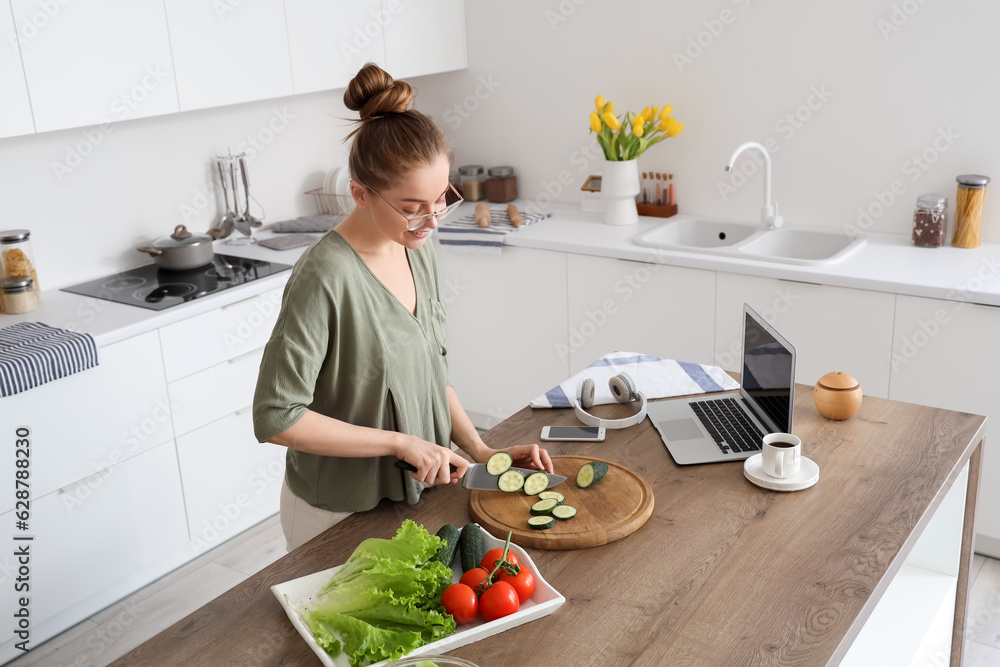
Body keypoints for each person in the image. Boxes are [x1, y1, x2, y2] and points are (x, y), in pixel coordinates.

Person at [253, 63, 553, 551]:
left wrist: (478, 448)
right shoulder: (324, 276)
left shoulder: (418, 246)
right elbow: (276, 417)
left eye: (441, 200)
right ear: (360, 194)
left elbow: (430, 368)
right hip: (336, 511)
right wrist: (398, 442)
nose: (431, 220)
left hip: (417, 495)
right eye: (413, 206)